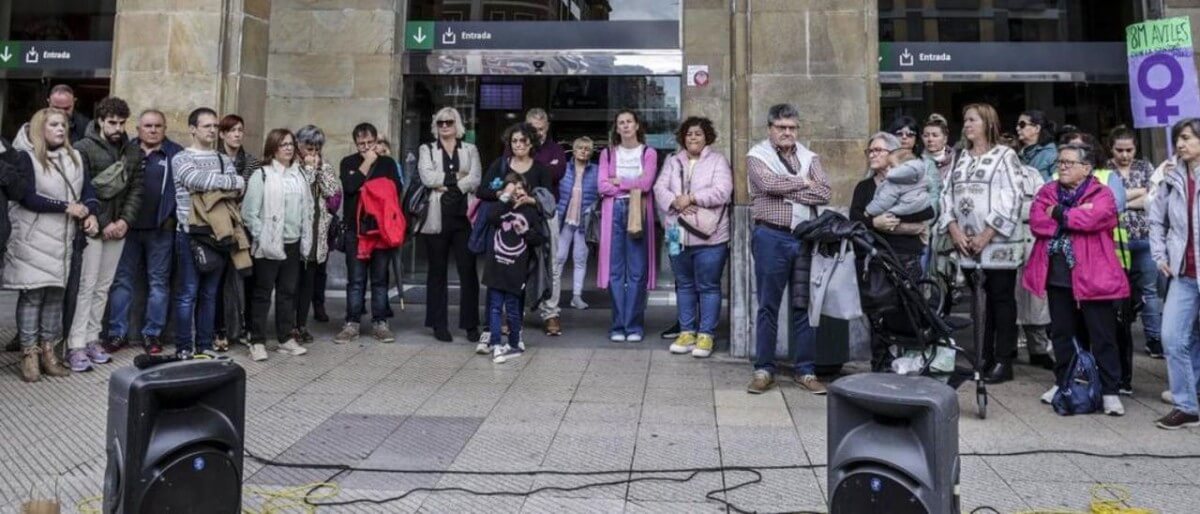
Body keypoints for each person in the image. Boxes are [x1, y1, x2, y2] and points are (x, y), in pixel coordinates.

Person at [1024, 143, 1128, 416]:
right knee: (1062, 333)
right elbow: (1037, 221)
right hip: (1058, 275)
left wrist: (1059, 214)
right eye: (1061, 162)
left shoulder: (1101, 193)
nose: (1063, 166)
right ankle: (1063, 383)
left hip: (1095, 275)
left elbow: (1097, 218)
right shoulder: (1047, 191)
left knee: (1102, 334)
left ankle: (1110, 391)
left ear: (1086, 168)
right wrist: (1073, 217)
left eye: (1070, 162)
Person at [3, 108, 97, 381]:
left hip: (63, 240)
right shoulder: (25, 157)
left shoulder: (76, 157)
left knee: (55, 297)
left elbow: (88, 192)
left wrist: (90, 212)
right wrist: (67, 207)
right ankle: (29, 355)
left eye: (64, 125)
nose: (61, 129)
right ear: (39, 129)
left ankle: (48, 351)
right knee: (33, 295)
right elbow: (27, 197)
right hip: (33, 237)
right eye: (54, 124)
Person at [746, 103, 832, 394]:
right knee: (768, 305)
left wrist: (790, 186)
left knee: (803, 306)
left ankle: (805, 371)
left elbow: (824, 190)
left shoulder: (809, 156)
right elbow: (766, 184)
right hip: (771, 237)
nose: (787, 132)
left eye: (792, 127)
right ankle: (764, 369)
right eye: (781, 127)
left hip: (805, 238)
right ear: (770, 128)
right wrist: (802, 182)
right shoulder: (758, 155)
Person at [939, 103, 1026, 383]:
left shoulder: (1005, 155)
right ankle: (983, 357)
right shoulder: (960, 157)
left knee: (1000, 301)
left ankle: (1003, 360)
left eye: (972, 120)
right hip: (966, 244)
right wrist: (952, 229)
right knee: (979, 302)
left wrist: (987, 234)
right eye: (964, 120)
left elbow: (1013, 196)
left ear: (987, 123)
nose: (966, 125)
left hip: (997, 244)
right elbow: (946, 195)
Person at [68, 96, 144, 371]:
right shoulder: (82, 148)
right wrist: (102, 221)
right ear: (100, 120)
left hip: (118, 227)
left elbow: (137, 188)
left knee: (103, 287)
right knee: (86, 287)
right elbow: (82, 188)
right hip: (92, 227)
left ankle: (92, 338)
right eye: (112, 122)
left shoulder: (132, 151)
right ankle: (75, 344)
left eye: (122, 123)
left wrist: (124, 221)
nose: (118, 128)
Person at [851, 132, 935, 370]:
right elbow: (856, 218)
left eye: (879, 150)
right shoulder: (865, 187)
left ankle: (911, 362)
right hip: (876, 258)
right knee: (878, 312)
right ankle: (880, 362)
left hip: (906, 256)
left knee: (908, 310)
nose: (873, 155)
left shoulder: (912, 183)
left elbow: (925, 215)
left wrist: (896, 225)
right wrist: (874, 223)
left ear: (893, 154)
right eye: (870, 151)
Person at [105, 110, 183, 356]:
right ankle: (117, 333)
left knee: (158, 284)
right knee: (121, 283)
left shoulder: (175, 154)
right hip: (126, 229)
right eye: (147, 125)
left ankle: (152, 335)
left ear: (165, 128)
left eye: (158, 126)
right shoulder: (126, 150)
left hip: (161, 231)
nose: (152, 130)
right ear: (138, 128)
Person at [655, 117, 732, 359]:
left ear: (706, 136)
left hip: (711, 238)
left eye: (698, 134)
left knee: (708, 286)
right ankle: (687, 331)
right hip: (678, 235)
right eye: (689, 134)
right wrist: (675, 202)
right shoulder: (672, 161)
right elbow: (659, 189)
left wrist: (692, 198)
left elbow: (723, 191)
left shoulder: (718, 161)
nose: (693, 138)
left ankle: (706, 334)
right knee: (685, 285)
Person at [172, 107, 246, 357]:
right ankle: (184, 347)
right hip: (189, 234)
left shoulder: (223, 159)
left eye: (215, 126)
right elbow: (195, 180)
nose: (213, 130)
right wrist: (223, 184)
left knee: (210, 295)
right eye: (207, 126)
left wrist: (219, 184)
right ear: (193, 129)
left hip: (219, 234)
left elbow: (240, 185)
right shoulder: (181, 158)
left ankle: (204, 346)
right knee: (187, 294)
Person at [476, 123, 555, 349]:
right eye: (514, 141)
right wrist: (502, 193)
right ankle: (489, 331)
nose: (518, 145)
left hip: (525, 234)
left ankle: (515, 330)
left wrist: (531, 200)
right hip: (500, 231)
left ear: (532, 143)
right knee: (494, 281)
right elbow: (482, 191)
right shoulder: (500, 165)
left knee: (517, 283)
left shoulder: (540, 169)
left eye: (523, 141)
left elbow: (550, 201)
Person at [241, 129, 313, 360]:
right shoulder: (261, 175)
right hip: (268, 244)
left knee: (287, 293)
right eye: (283, 144)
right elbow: (249, 212)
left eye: (291, 144)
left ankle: (285, 338)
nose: (288, 148)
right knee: (262, 293)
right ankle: (257, 340)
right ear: (273, 148)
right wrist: (262, 236)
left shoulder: (299, 175)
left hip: (292, 243)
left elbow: (307, 208)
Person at [1148, 117, 1200, 430]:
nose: (1180, 145)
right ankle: (1187, 406)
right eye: (1178, 139)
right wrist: (1159, 254)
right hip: (1182, 271)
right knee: (1172, 336)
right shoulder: (1169, 176)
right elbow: (1156, 219)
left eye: (1187, 138)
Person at [417, 107, 482, 343]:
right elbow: (427, 177)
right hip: (437, 218)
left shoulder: (470, 149)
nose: (445, 126)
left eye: (449, 122)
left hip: (464, 218)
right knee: (437, 272)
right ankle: (438, 323)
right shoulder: (427, 149)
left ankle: (471, 324)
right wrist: (457, 179)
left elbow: (475, 179)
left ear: (457, 125)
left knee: (468, 273)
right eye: (441, 122)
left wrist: (448, 183)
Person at [334, 123, 403, 344]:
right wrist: (368, 162)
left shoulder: (389, 164)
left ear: (376, 141)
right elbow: (351, 186)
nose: (365, 147)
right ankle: (352, 323)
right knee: (355, 280)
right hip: (356, 231)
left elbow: (395, 192)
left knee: (380, 280)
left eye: (369, 143)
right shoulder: (348, 162)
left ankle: (380, 323)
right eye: (361, 144)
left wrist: (370, 189)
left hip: (381, 230)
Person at [598, 109, 659, 343]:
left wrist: (619, 181)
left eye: (628, 122)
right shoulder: (608, 154)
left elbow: (646, 184)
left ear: (636, 126)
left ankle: (634, 325)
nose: (624, 126)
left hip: (638, 211)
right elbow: (602, 186)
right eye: (620, 122)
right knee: (615, 271)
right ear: (617, 127)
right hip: (614, 210)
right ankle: (618, 324)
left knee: (636, 271)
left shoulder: (648, 153)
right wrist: (627, 185)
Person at [1107, 127, 1162, 359]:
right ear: (1111, 148)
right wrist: (1138, 194)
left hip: (1144, 237)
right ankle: (1121, 337)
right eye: (1120, 150)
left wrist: (1123, 201)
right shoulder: (1106, 170)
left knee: (1149, 291)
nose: (1125, 155)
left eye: (1129, 150)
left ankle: (1154, 338)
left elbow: (1154, 196)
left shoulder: (1145, 166)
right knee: (1119, 293)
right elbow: (1107, 198)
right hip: (1116, 241)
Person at [482, 173, 547, 364]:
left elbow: (539, 238)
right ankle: (495, 343)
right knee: (494, 307)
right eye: (512, 187)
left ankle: (513, 343)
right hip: (495, 267)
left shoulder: (531, 212)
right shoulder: (500, 208)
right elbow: (490, 217)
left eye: (520, 188)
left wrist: (525, 231)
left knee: (512, 308)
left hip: (516, 269)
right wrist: (503, 196)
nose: (516, 191)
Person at [1014, 110, 1057, 372]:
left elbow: (1048, 199)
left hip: (1035, 234)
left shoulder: (1048, 157)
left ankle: (1039, 347)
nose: (1018, 130)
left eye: (1023, 125)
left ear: (1037, 128)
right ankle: (1014, 344)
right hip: (1012, 236)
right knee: (1015, 294)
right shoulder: (1021, 157)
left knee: (1036, 294)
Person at [214, 114, 261, 347]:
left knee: (247, 276)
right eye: (231, 130)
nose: (237, 134)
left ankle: (248, 327)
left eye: (240, 130)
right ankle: (220, 329)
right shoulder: (213, 160)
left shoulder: (251, 163)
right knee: (220, 279)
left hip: (244, 226)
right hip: (219, 225)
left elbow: (252, 194)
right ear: (222, 134)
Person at [294, 125, 342, 342]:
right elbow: (302, 188)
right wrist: (309, 170)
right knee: (291, 282)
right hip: (294, 230)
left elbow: (333, 191)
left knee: (309, 281)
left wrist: (319, 169)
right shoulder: (292, 166)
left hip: (316, 233)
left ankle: (301, 324)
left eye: (317, 148)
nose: (312, 153)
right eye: (308, 148)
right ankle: (288, 324)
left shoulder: (325, 167)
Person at [555, 137, 599, 311]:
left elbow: (601, 193)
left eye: (587, 149)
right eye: (580, 148)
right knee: (558, 258)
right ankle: (554, 296)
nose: (583, 151)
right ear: (573, 150)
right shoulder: (563, 168)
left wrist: (593, 208)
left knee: (580, 258)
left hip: (584, 222)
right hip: (564, 219)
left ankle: (577, 296)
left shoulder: (597, 170)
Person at [1016, 110, 1058, 182]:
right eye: (1017, 125)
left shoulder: (1052, 154)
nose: (1017, 128)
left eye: (1022, 124)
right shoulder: (1018, 155)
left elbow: (1058, 176)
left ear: (1037, 128)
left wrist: (1042, 187)